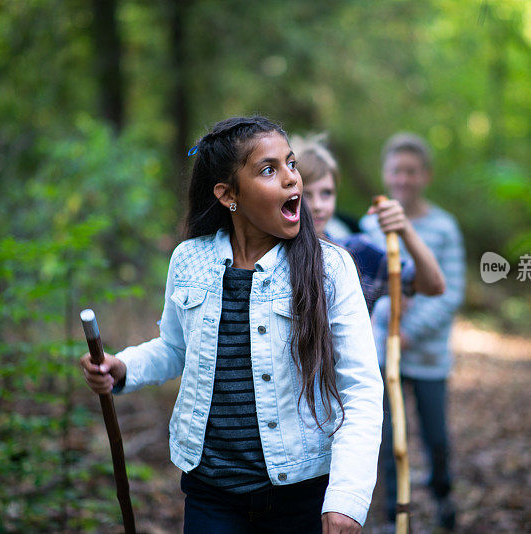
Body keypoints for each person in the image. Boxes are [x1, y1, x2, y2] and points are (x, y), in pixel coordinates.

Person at [79, 117, 383, 534]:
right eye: (268, 170)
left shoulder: (330, 267)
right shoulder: (189, 259)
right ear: (228, 194)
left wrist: (347, 498)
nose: (292, 179)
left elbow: (361, 387)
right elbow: (175, 348)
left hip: (302, 491)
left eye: (290, 164)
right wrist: (123, 367)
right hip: (211, 492)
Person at [359, 133, 465, 531]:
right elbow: (369, 285)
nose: (403, 179)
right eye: (396, 171)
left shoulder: (443, 227)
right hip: (382, 353)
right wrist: (385, 331)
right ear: (386, 174)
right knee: (385, 438)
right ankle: (392, 516)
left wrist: (408, 332)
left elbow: (448, 292)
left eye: (411, 171)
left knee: (435, 436)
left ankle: (443, 497)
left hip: (428, 356)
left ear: (425, 176)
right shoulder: (371, 224)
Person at [290, 133, 445, 313]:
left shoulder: (356, 253)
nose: (317, 206)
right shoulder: (270, 255)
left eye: (326, 193)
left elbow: (433, 285)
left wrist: (405, 230)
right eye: (307, 194)